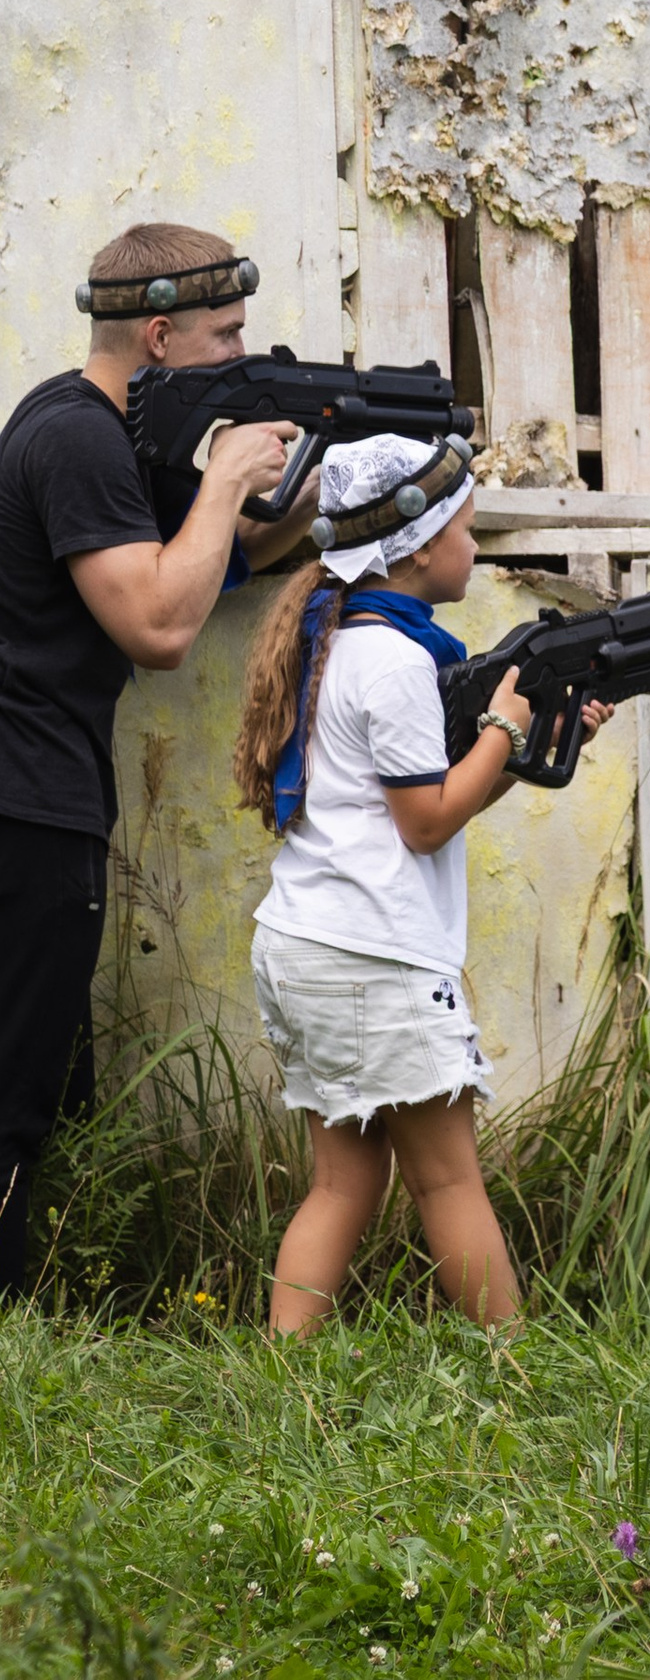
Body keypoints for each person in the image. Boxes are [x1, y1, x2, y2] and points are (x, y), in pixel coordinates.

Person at [231, 433, 609, 1333]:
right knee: (447, 1177)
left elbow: (432, 796)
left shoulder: (343, 643)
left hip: (307, 946)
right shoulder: (397, 664)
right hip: (373, 959)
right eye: (469, 530)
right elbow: (427, 820)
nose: (475, 550)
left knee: (343, 1180)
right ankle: (513, 1371)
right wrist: (504, 732)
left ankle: (283, 1380)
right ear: (419, 545)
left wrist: (530, 748)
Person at [0, 222, 301, 1298]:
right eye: (227, 336)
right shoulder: (77, 439)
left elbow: (193, 566)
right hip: (27, 803)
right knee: (14, 1093)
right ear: (161, 336)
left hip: (41, 793)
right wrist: (225, 479)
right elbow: (159, 625)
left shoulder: (101, 433)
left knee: (44, 1078)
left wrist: (301, 493)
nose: (241, 355)